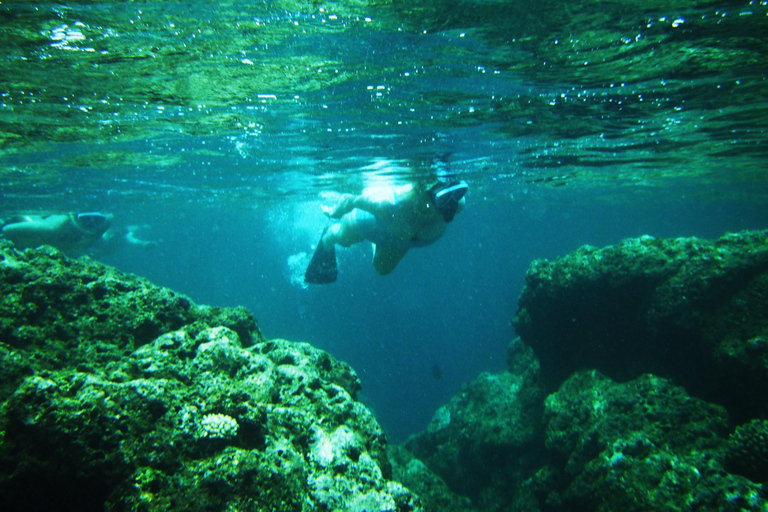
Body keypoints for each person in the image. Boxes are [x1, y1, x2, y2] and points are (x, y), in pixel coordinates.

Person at [304, 178, 468, 284]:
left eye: (454, 196)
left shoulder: (455, 205)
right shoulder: (388, 205)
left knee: (382, 269)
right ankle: (327, 237)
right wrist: (334, 213)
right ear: (421, 192)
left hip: (398, 238)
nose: (447, 207)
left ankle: (379, 243)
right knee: (343, 238)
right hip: (367, 222)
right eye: (441, 199)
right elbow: (350, 200)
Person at [1, 212, 112, 252]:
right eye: (85, 220)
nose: (90, 224)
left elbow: (109, 218)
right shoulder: (52, 228)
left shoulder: (96, 234)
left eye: (97, 221)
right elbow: (6, 230)